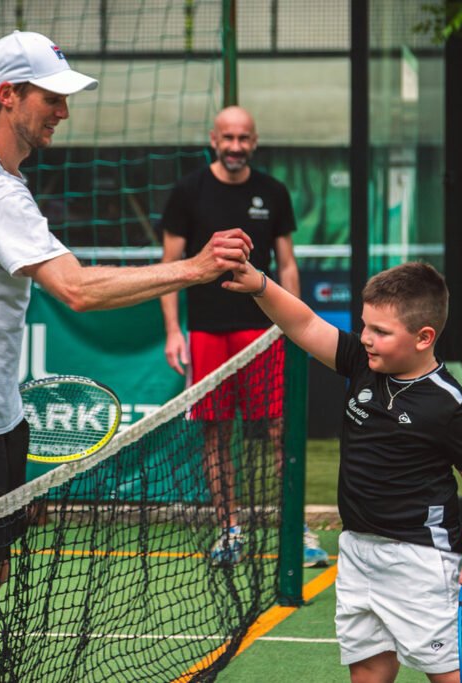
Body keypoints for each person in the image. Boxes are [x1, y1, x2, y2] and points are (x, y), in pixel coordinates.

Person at [0, 31, 253, 683]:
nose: (63, 111)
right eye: (51, 97)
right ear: (8, 96)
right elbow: (78, 289)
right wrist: (193, 269)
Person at [224, 261, 462, 682]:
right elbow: (303, 324)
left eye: (381, 332)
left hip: (420, 561)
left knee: (453, 676)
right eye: (364, 326)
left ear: (424, 337)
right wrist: (261, 285)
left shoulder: (452, 405)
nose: (367, 339)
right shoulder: (360, 362)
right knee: (369, 671)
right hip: (355, 551)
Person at [157, 106, 328, 568]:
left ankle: (296, 529)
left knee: (280, 433)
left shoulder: (272, 192)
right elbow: (170, 269)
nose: (235, 146)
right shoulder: (187, 192)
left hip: (264, 333)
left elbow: (287, 264)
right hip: (207, 334)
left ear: (254, 142)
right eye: (227, 137)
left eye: (244, 138)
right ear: (214, 139)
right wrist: (175, 331)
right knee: (216, 435)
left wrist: (296, 326)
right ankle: (230, 530)